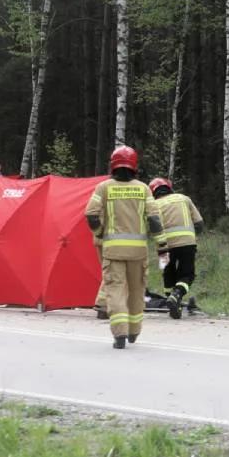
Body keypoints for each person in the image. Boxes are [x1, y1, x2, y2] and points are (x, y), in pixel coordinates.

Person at [84, 145, 162, 349]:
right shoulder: (143, 188)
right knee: (136, 292)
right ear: (134, 165)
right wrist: (161, 244)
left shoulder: (104, 187)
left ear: (113, 165)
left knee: (116, 291)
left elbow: (91, 214)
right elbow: (155, 220)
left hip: (113, 251)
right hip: (138, 253)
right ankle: (134, 332)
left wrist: (99, 232)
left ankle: (119, 335)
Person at [150, 177, 204, 320]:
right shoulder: (184, 198)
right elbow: (199, 223)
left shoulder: (153, 204)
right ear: (169, 187)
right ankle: (177, 295)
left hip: (163, 246)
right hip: (187, 243)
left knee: (168, 272)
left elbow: (152, 227)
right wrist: (193, 236)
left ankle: (172, 301)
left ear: (153, 192)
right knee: (187, 274)